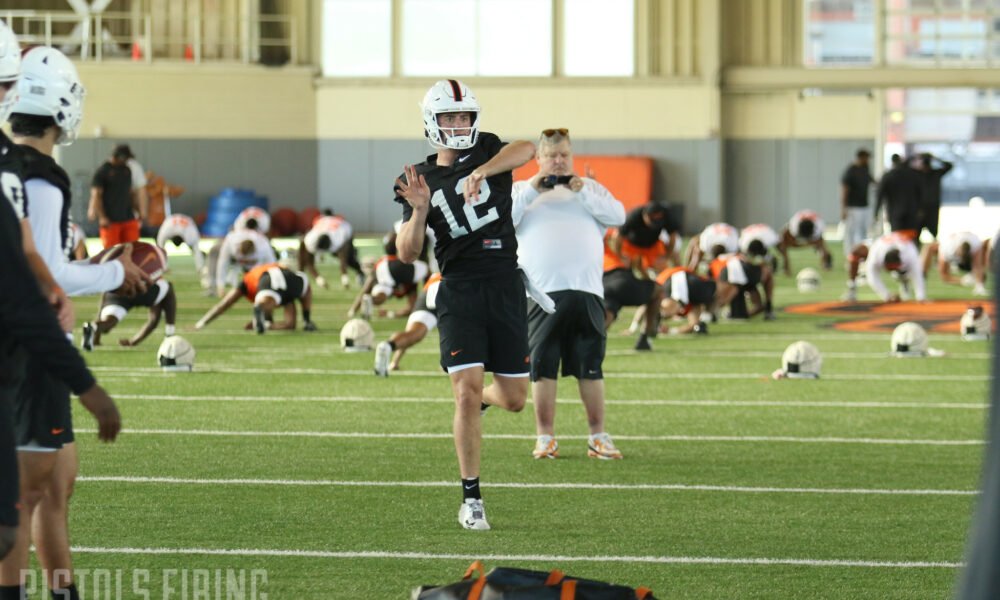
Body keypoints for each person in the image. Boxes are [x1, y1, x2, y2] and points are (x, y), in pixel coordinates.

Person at [4, 45, 136, 599]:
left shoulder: (15, 167)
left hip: (27, 340)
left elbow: (43, 262)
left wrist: (96, 266)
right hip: (30, 348)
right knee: (25, 495)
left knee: (56, 484)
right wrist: (117, 273)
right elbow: (45, 274)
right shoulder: (37, 174)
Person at [393, 79, 537, 530]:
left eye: (464, 116)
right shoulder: (416, 179)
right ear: (431, 121)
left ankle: (481, 401)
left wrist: (482, 172)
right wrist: (419, 210)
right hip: (460, 289)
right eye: (449, 117)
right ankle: (471, 498)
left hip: (505, 285)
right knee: (465, 391)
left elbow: (528, 148)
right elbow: (407, 253)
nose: (458, 124)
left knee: (514, 399)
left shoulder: (489, 149)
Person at [512, 127, 626, 461]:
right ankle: (545, 437)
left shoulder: (590, 188)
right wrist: (532, 190)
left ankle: (598, 436)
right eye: (551, 155)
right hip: (541, 293)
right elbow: (504, 220)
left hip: (587, 290)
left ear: (572, 155)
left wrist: (583, 191)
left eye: (564, 155)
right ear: (539, 158)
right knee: (543, 367)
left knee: (590, 366)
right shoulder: (521, 190)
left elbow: (618, 215)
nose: (559, 161)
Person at [195, 262, 316, 333]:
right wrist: (268, 324)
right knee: (290, 324)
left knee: (268, 298)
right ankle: (307, 321)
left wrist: (201, 323)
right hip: (293, 278)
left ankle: (261, 307)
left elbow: (225, 304)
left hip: (269, 278)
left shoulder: (248, 278)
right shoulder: (272, 266)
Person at [374, 273, 442, 376]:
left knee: (413, 333)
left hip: (432, 286)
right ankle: (450, 362)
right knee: (459, 327)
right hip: (450, 286)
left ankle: (390, 350)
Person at [602, 237, 661, 350]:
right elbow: (638, 265)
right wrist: (650, 282)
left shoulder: (598, 238)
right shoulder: (626, 237)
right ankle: (645, 337)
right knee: (658, 290)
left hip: (602, 282)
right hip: (621, 278)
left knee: (607, 315)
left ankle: (587, 344)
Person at [82, 278, 176, 349]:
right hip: (144, 288)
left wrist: (96, 337)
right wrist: (134, 342)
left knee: (109, 321)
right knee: (168, 288)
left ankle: (94, 327)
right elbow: (153, 320)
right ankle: (170, 335)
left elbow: (106, 291)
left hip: (119, 288)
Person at [845, 232, 926, 302]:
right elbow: (872, 277)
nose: (891, 270)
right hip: (881, 243)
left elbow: (918, 274)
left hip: (904, 245)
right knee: (855, 253)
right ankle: (852, 287)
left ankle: (904, 282)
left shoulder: (910, 254)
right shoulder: (875, 255)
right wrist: (887, 296)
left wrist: (920, 296)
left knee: (909, 272)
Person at [89, 144, 140, 248]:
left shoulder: (127, 171)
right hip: (110, 220)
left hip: (128, 217)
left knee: (132, 250)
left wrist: (137, 209)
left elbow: (130, 192)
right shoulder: (103, 172)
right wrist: (102, 217)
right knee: (112, 252)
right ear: (120, 157)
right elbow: (96, 195)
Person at [298, 213, 364, 289]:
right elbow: (308, 262)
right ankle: (299, 278)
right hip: (325, 235)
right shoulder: (309, 240)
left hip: (343, 234)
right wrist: (319, 280)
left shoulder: (339, 238)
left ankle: (360, 272)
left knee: (349, 258)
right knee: (303, 258)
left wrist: (344, 278)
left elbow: (343, 259)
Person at [613, 202, 680, 274]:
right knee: (624, 265)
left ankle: (679, 275)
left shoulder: (666, 215)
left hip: (652, 245)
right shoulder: (633, 215)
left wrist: (666, 256)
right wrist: (620, 255)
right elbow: (617, 236)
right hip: (632, 245)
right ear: (645, 215)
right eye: (652, 219)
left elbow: (673, 236)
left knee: (663, 262)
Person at [209, 227, 276, 296]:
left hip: (255, 264)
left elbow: (272, 265)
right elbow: (223, 263)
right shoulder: (231, 242)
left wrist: (272, 284)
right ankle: (212, 284)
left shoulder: (264, 247)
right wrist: (220, 286)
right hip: (234, 256)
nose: (245, 260)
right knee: (214, 250)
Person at [874, 154, 923, 240]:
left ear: (892, 162)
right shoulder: (912, 175)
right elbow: (920, 192)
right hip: (911, 211)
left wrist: (876, 212)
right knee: (910, 237)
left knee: (897, 237)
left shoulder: (888, 176)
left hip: (894, 212)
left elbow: (880, 195)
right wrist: (920, 208)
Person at [926, 231, 989, 296]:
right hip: (949, 251)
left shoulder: (975, 243)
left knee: (979, 269)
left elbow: (978, 266)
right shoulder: (946, 248)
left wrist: (979, 285)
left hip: (970, 246)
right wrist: (963, 281)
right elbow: (944, 275)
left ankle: (979, 286)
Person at [840, 149, 875, 257]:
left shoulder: (865, 169)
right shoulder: (851, 170)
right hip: (853, 207)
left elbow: (873, 182)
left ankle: (861, 254)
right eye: (867, 158)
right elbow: (844, 190)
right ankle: (850, 255)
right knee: (851, 232)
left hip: (864, 206)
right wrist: (843, 208)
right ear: (861, 157)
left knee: (863, 232)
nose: (868, 160)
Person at [777, 210, 832, 274]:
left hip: (814, 227)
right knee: (782, 245)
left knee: (822, 247)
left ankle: (826, 262)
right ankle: (785, 266)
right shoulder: (793, 226)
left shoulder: (819, 227)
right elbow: (783, 237)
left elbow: (819, 242)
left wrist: (821, 250)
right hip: (797, 223)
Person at [156, 212, 206, 283]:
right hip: (174, 223)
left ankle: (200, 267)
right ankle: (200, 267)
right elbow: (160, 247)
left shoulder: (189, 232)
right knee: (195, 249)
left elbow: (160, 247)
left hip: (181, 224)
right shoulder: (167, 230)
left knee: (195, 249)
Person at [914, 152, 953, 239]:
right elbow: (905, 167)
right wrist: (916, 157)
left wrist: (935, 159)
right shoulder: (917, 174)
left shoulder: (936, 173)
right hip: (920, 207)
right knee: (917, 231)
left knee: (933, 230)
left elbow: (949, 166)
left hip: (933, 206)